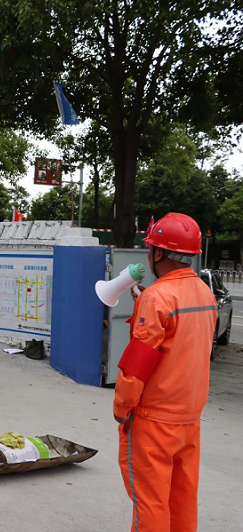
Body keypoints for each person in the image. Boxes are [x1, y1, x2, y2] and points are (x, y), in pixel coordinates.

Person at [114, 213, 216, 531]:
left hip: (154, 419)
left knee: (151, 501)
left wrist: (122, 408)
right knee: (181, 497)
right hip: (189, 416)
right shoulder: (205, 293)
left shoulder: (157, 298)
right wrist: (147, 300)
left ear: (158, 253)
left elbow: (138, 364)